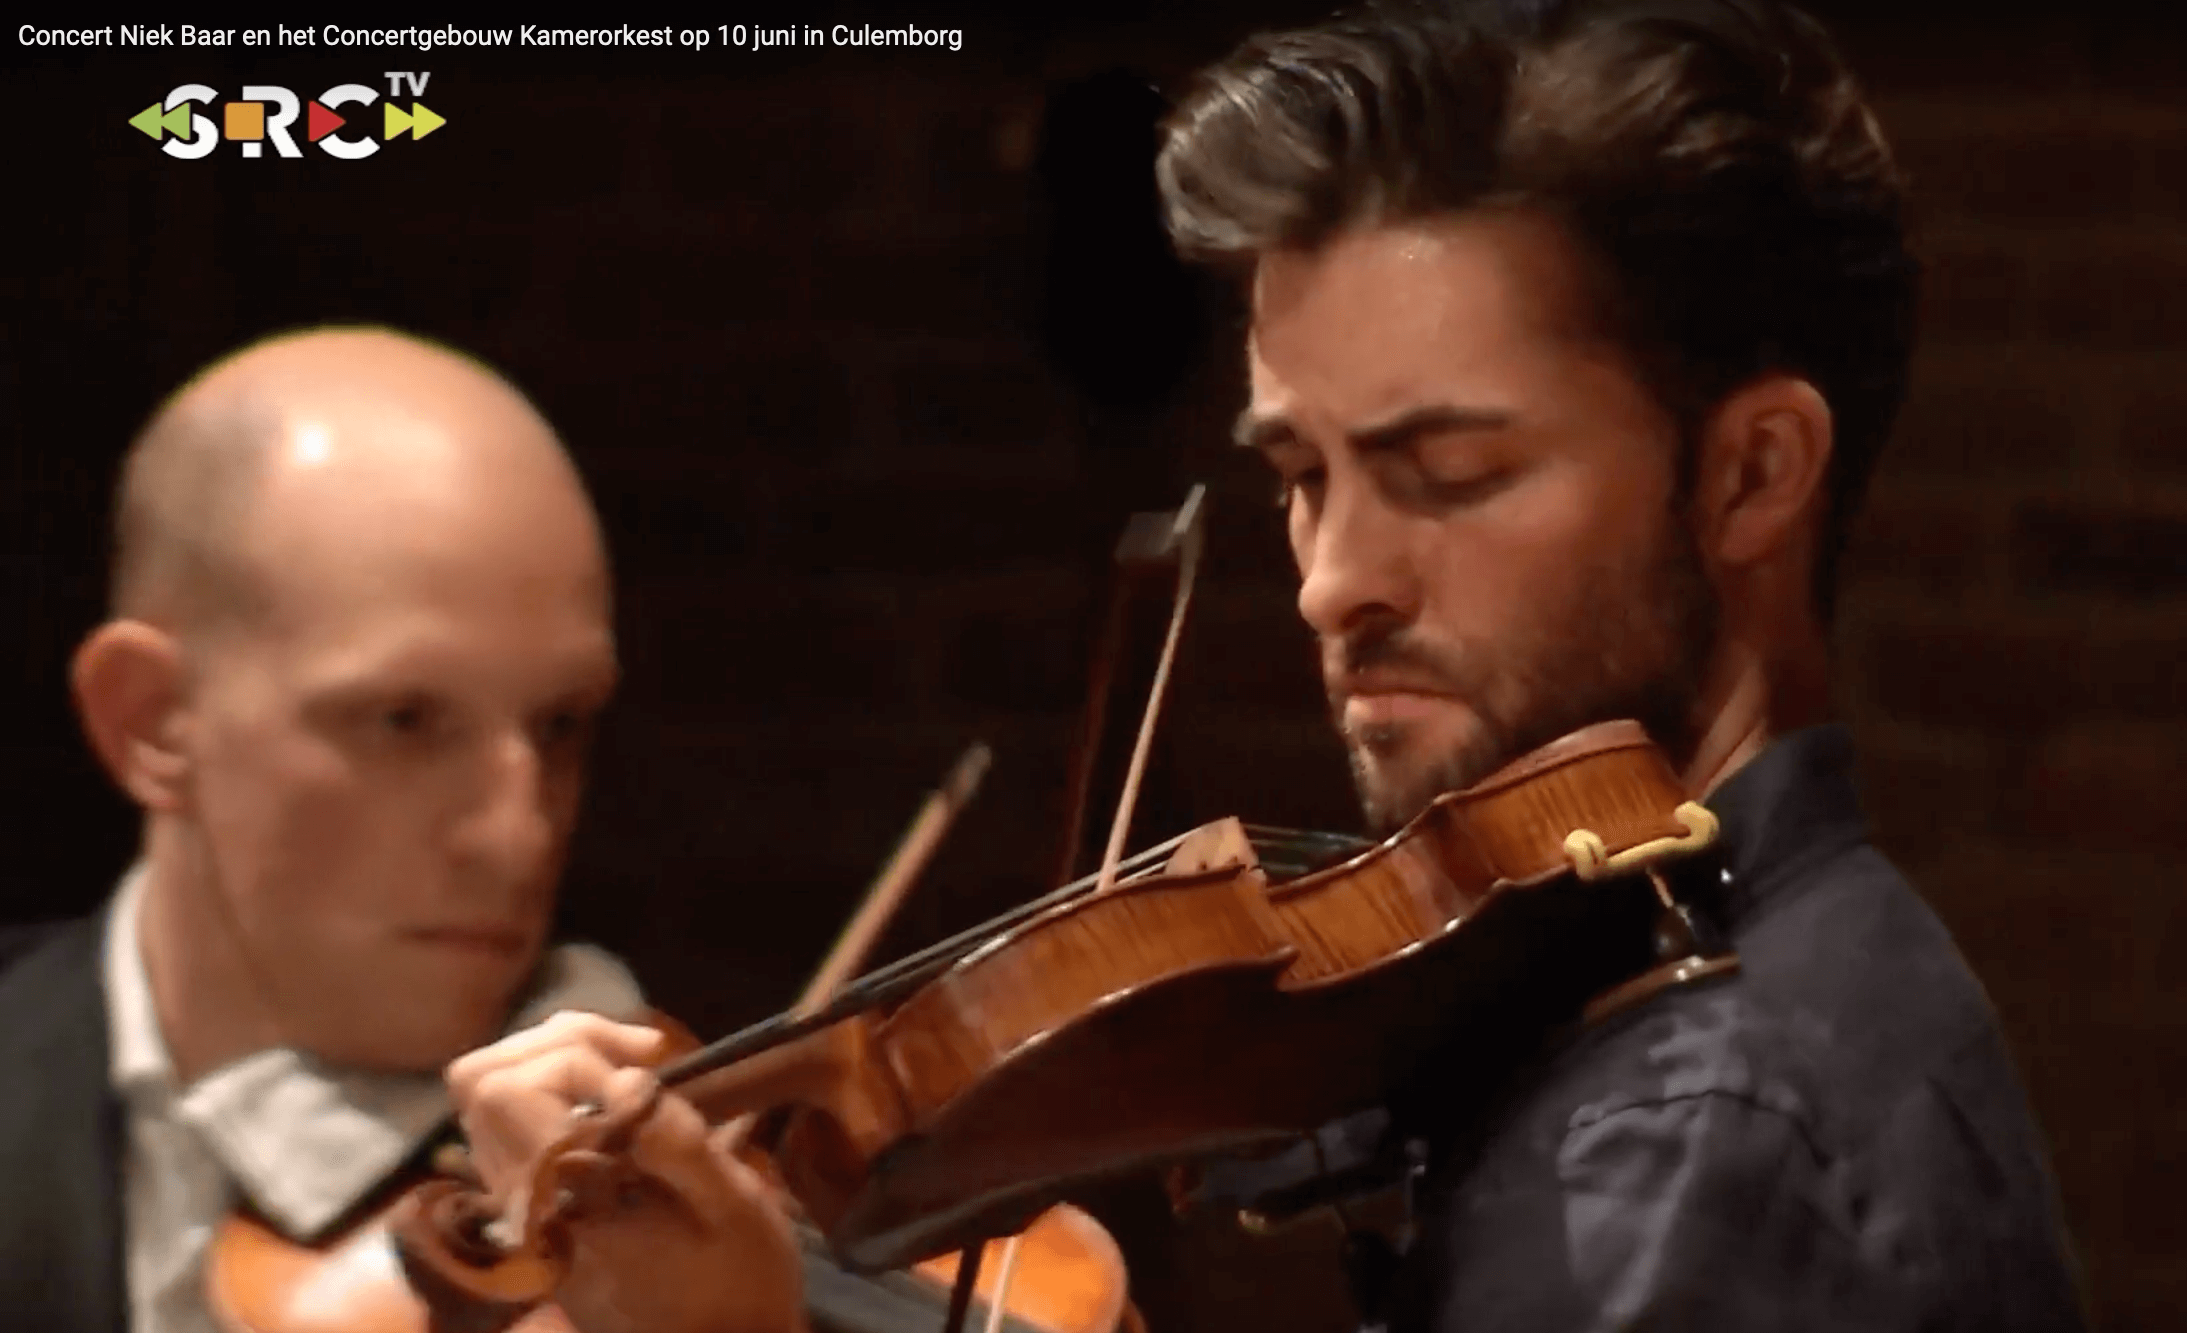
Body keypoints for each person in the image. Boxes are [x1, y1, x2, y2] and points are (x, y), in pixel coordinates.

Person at [439, 1, 2092, 1330]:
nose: (1332, 582)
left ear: (1748, 472)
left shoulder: (1688, 1141)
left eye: (1448, 472)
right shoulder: (1661, 997)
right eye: (1301, 474)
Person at [0, 326, 799, 1333]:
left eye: (560, 725)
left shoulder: (646, 1212)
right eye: (405, 721)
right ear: (151, 722)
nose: (519, 838)